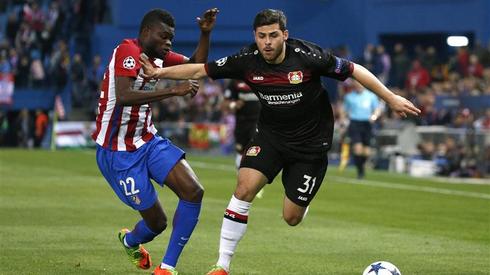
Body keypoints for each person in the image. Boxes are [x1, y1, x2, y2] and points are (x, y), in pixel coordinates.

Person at [139, 9, 420, 275]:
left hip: (310, 146)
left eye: (273, 35)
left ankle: (299, 197)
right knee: (244, 188)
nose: (267, 42)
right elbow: (200, 70)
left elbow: (355, 70)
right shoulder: (246, 60)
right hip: (271, 137)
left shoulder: (308, 57)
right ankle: (222, 265)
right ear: (255, 36)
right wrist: (158, 73)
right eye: (261, 36)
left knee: (291, 217)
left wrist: (390, 98)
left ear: (284, 34)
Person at [91, 8, 218, 275]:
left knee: (194, 191)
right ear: (146, 32)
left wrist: (205, 33)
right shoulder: (127, 52)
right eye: (164, 37)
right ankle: (130, 241)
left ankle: (167, 267)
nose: (168, 43)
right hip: (118, 153)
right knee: (157, 223)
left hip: (147, 140)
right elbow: (124, 95)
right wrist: (173, 90)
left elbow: (195, 66)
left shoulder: (159, 58)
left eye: (171, 38)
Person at [342, 80, 383, 179]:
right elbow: (344, 110)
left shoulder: (371, 96)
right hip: (355, 123)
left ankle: (361, 167)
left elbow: (377, 109)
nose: (359, 86)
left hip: (367, 124)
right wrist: (343, 121)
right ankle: (360, 172)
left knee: (367, 151)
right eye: (357, 85)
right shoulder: (349, 97)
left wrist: (374, 116)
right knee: (357, 148)